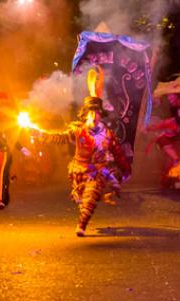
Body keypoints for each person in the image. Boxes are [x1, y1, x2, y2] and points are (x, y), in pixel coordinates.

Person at [34, 81, 131, 236]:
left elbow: (118, 152)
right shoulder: (78, 131)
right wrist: (40, 134)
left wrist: (126, 169)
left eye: (97, 113)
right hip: (79, 171)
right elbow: (59, 138)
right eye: (90, 113)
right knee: (81, 199)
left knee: (91, 195)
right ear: (85, 114)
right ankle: (83, 207)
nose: (93, 116)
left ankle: (81, 225)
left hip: (97, 172)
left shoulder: (107, 134)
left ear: (101, 115)